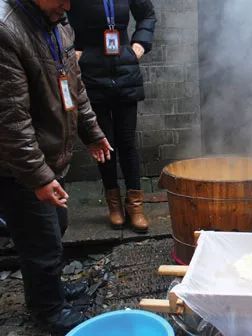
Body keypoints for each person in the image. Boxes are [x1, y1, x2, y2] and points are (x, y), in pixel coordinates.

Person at [0, 0, 112, 333]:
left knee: (55, 226)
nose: (68, 5)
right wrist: (39, 177)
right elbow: (10, 120)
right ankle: (48, 311)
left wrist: (91, 131)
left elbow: (74, 87)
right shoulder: (6, 30)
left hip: (48, 159)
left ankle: (52, 290)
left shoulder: (57, 24)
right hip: (19, 167)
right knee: (41, 242)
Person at [67, 0, 156, 233]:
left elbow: (147, 14)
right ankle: (114, 205)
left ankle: (135, 206)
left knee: (127, 142)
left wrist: (139, 45)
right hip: (92, 72)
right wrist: (73, 51)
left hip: (125, 70)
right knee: (104, 141)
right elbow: (58, 17)